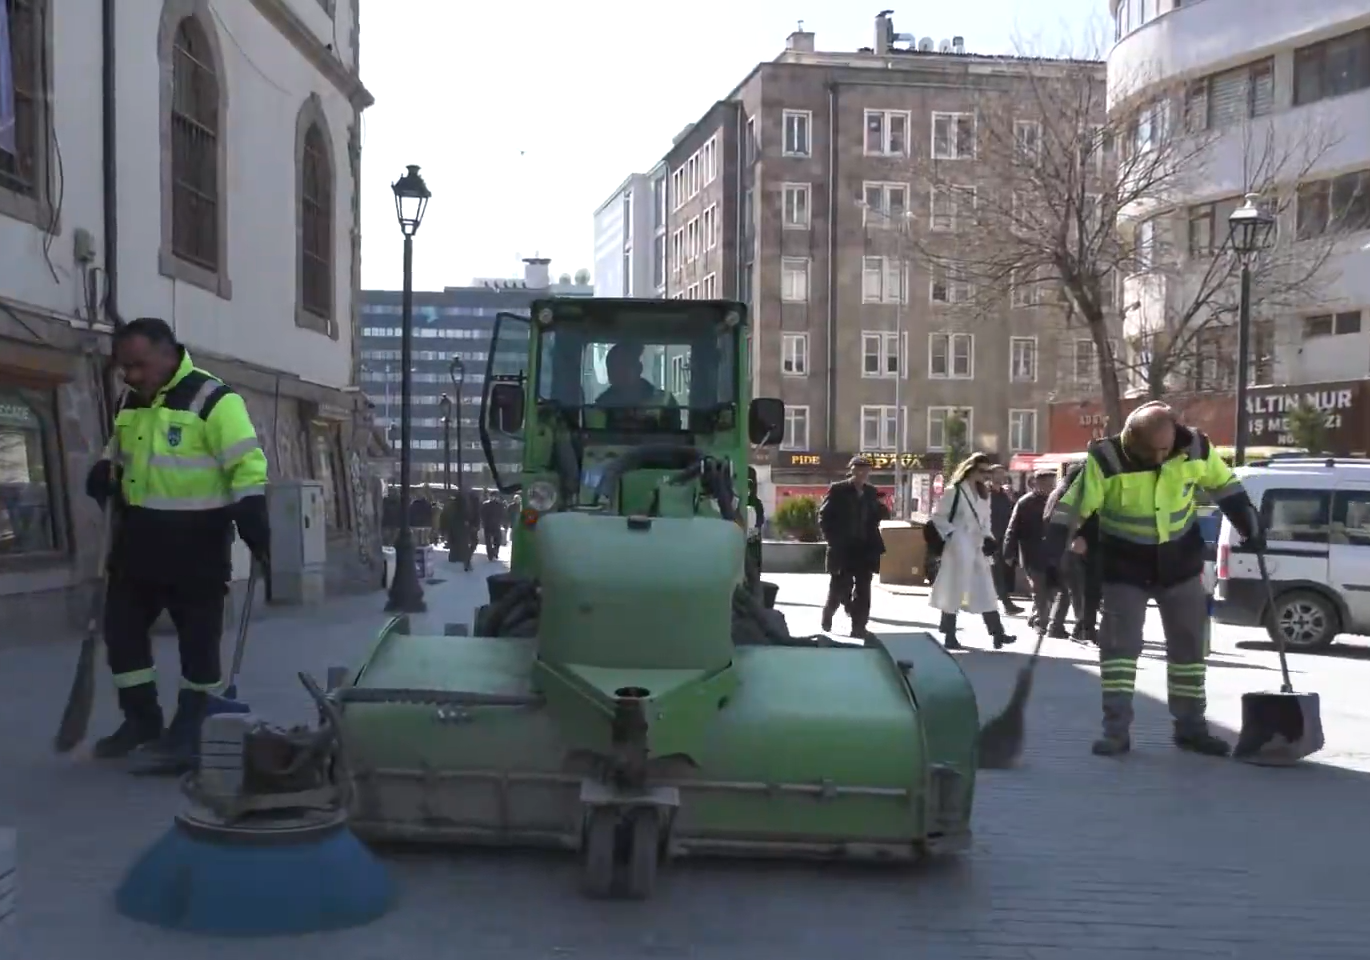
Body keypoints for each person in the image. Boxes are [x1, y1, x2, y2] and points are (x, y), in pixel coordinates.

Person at [84, 317, 270, 772]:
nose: (131, 375)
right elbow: (121, 451)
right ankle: (142, 720)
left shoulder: (215, 401)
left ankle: (193, 726)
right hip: (137, 542)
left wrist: (251, 513)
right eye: (124, 367)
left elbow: (246, 463)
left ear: (169, 355)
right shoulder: (132, 403)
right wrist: (104, 469)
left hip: (197, 544)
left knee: (198, 645)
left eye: (139, 365)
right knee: (122, 634)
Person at [1043, 402, 1263, 757]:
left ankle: (1191, 728)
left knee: (1190, 649)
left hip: (1180, 564)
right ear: (1131, 438)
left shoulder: (1195, 448)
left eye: (1166, 447)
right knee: (1119, 650)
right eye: (1152, 450)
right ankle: (1115, 731)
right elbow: (1073, 506)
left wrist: (1247, 520)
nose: (1161, 456)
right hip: (1125, 565)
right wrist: (1053, 550)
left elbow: (1225, 485)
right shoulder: (1106, 461)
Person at [929, 453, 1017, 651]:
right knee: (955, 589)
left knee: (986, 589)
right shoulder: (955, 491)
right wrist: (953, 535)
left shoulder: (984, 493)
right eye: (982, 471)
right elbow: (938, 517)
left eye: (988, 471)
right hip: (959, 545)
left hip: (978, 546)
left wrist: (989, 539)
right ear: (970, 469)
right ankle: (950, 635)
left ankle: (998, 633)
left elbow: (986, 520)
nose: (986, 475)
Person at [818, 457, 888, 639]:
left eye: (865, 471)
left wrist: (882, 509)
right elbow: (824, 516)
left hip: (865, 548)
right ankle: (829, 612)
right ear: (851, 471)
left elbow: (877, 516)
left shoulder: (871, 492)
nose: (861, 474)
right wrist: (832, 539)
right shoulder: (838, 489)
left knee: (864, 590)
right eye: (858, 470)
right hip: (843, 548)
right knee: (839, 588)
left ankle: (859, 626)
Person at [1040, 461, 1102, 643]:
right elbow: (1073, 521)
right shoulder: (1072, 495)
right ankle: (1081, 628)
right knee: (1079, 590)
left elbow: (1048, 520)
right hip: (1071, 547)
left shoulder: (1057, 493)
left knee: (1067, 590)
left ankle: (1055, 626)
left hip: (1057, 547)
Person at [1002, 469, 1057, 628]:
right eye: (1047, 484)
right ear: (1037, 483)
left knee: (1051, 591)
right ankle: (1042, 621)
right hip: (1031, 553)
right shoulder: (1025, 503)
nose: (1050, 487)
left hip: (1053, 554)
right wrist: (1008, 552)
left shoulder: (1057, 501)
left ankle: (1036, 615)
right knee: (1039, 588)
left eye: (1052, 484)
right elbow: (1012, 529)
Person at [988, 468, 1023, 616]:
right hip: (989, 539)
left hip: (1003, 539)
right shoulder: (985, 494)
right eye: (998, 474)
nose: (1001, 477)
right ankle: (1006, 604)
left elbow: (1011, 514)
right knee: (996, 572)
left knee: (998, 572)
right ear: (990, 476)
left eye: (1003, 474)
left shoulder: (1004, 495)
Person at [480, 492, 506, 561]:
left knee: (497, 541)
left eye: (494, 496)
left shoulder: (499, 505)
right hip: (489, 525)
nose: (492, 498)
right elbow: (482, 514)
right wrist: (483, 522)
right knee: (488, 542)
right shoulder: (485, 504)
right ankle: (490, 555)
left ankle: (494, 552)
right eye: (491, 496)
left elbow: (502, 514)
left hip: (495, 525)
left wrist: (501, 522)